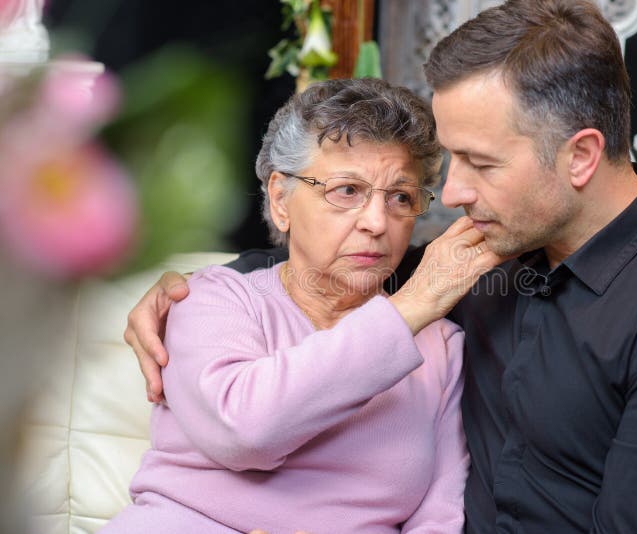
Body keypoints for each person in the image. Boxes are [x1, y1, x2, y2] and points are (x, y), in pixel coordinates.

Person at [126, 1, 637, 532]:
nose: (454, 192)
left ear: (581, 156)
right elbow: (345, 261)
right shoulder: (490, 256)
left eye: (481, 162)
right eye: (451, 160)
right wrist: (191, 287)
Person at [105, 77, 508, 533]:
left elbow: (439, 517)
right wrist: (413, 305)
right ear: (281, 199)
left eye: (401, 197)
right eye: (347, 190)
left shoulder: (442, 347)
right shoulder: (211, 300)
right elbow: (245, 431)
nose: (377, 222)